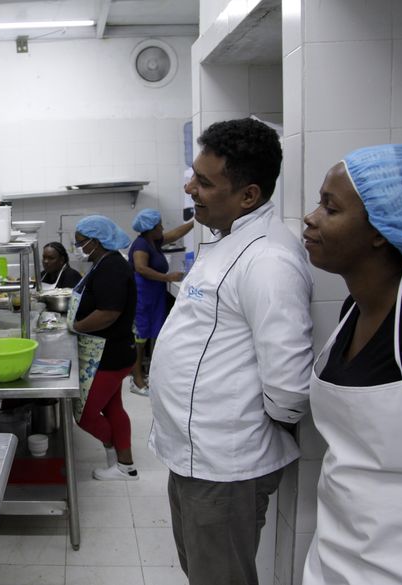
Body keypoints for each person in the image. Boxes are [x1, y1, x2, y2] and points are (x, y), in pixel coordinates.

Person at [148, 118, 313, 585]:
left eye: (204, 181)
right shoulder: (225, 240)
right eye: (193, 174)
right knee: (203, 572)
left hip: (224, 465)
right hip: (197, 457)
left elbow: (289, 391)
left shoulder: (269, 261)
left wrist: (237, 429)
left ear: (248, 195)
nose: (190, 187)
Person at [300, 144, 402, 585]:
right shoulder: (354, 308)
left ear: (381, 230)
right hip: (339, 550)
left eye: (330, 207)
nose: (311, 217)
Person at [68, 215, 139, 481]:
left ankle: (116, 454)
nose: (78, 247)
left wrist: (77, 326)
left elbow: (108, 313)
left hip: (109, 354)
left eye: (80, 243)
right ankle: (124, 466)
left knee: (85, 415)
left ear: (96, 242)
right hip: (112, 351)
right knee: (113, 408)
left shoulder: (112, 269)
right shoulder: (103, 262)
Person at [127, 209, 193, 396]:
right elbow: (141, 268)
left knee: (152, 333)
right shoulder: (141, 245)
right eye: (160, 225)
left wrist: (196, 221)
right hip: (142, 295)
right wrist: (166, 277)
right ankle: (136, 380)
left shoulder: (153, 241)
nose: (163, 228)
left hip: (154, 294)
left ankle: (147, 375)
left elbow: (176, 233)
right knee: (139, 339)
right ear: (151, 228)